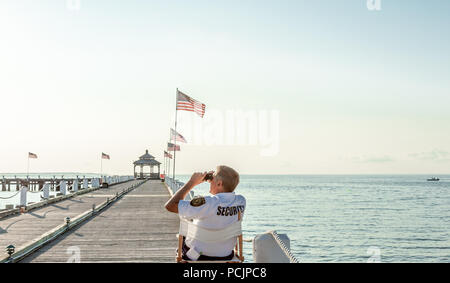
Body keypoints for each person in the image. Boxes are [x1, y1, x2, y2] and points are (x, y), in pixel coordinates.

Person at [164, 165, 246, 261]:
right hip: (225, 255)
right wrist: (216, 178)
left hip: (196, 256)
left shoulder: (207, 203)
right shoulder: (241, 201)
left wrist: (191, 183)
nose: (210, 180)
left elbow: (170, 206)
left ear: (219, 183)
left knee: (185, 236)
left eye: (213, 177)